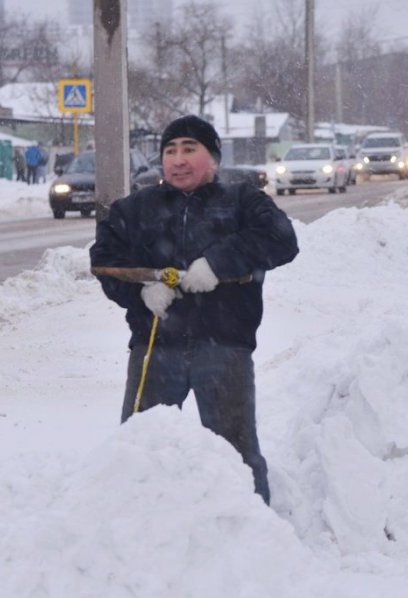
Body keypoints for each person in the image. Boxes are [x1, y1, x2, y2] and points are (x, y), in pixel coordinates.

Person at [89, 115, 299, 505]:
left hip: (223, 347)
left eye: (190, 149)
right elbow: (104, 260)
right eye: (170, 151)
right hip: (155, 348)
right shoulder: (135, 210)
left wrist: (219, 263)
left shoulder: (241, 201)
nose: (178, 159)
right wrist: (140, 295)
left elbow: (282, 240)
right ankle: (132, 527)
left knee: (235, 452)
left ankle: (254, 533)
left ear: (213, 160)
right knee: (139, 449)